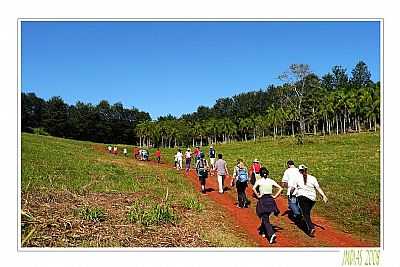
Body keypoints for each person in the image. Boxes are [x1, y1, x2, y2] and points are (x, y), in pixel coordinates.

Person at [293, 164, 328, 237]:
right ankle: (308, 224)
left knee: (305, 214)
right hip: (312, 198)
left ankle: (311, 228)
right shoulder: (313, 178)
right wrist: (323, 196)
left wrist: (291, 194)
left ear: (299, 171)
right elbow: (318, 188)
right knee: (307, 213)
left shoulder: (297, 178)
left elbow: (293, 188)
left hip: (302, 197)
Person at [252, 167, 283, 244]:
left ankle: (271, 234)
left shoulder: (259, 181)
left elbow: (253, 188)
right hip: (270, 200)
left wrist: (258, 195)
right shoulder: (271, 181)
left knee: (264, 218)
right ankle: (263, 231)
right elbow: (280, 188)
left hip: (263, 200)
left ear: (260, 174)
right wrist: (275, 196)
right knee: (265, 217)